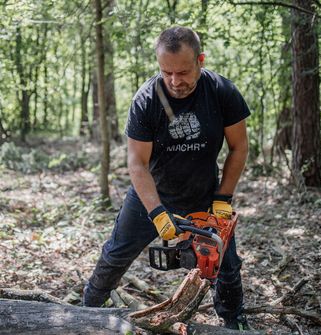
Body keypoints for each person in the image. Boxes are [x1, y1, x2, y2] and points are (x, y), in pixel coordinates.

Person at [84, 26, 251, 331]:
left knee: (226, 266)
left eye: (183, 72)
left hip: (205, 195)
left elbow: (239, 148)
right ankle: (89, 308)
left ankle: (233, 321)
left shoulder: (222, 92)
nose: (175, 81)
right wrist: (157, 212)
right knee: (116, 254)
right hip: (152, 193)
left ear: (200, 60)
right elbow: (137, 164)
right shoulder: (146, 100)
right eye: (166, 72)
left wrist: (223, 198)